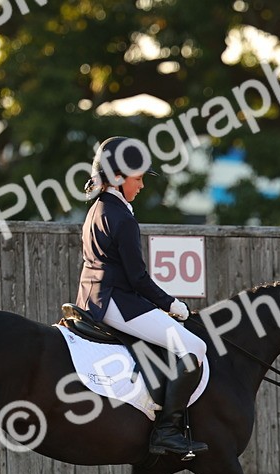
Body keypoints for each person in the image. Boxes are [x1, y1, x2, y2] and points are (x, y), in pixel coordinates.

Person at [75, 136, 208, 456]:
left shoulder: (98, 208)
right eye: (137, 179)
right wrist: (173, 305)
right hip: (114, 302)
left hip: (92, 298)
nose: (142, 186)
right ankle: (166, 431)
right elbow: (138, 279)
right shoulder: (122, 218)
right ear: (118, 179)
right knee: (194, 346)